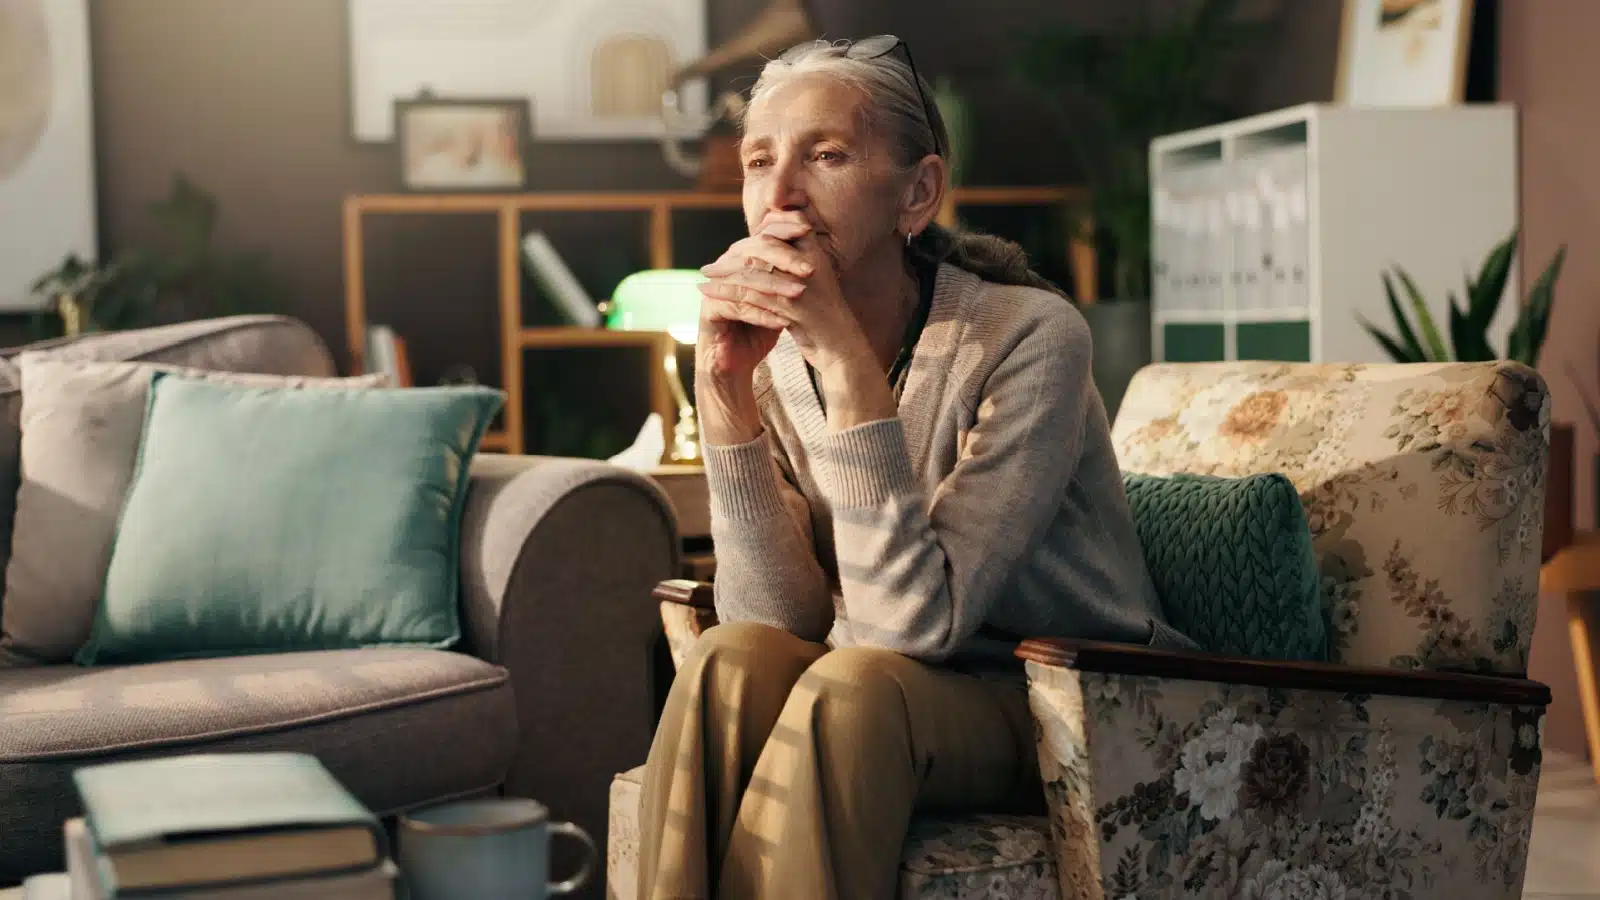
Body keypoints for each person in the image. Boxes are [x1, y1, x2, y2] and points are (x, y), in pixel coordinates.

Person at [637, 35, 1192, 900]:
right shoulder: (777, 360)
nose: (780, 194)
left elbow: (908, 630)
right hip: (884, 686)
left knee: (852, 687)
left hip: (1060, 697)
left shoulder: (1030, 339)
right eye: (758, 160)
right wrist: (724, 395)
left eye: (825, 155)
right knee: (727, 662)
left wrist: (849, 368)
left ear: (918, 191)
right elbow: (776, 618)